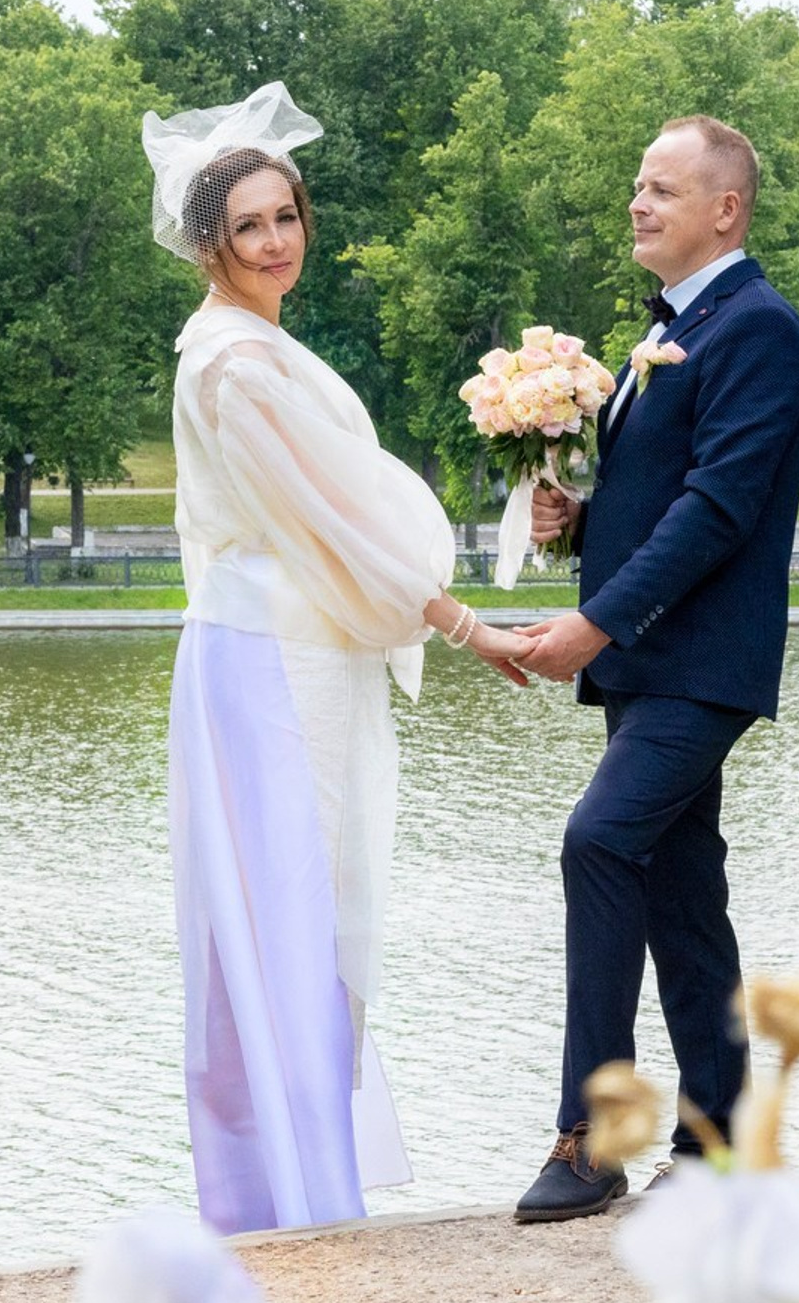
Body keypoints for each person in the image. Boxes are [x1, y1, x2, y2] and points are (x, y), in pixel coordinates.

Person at [152, 83, 535, 1233]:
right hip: (271, 661)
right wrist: (470, 627)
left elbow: (332, 521)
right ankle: (291, 1198)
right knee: (289, 916)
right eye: (248, 226)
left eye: (287, 217)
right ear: (207, 242)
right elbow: (332, 527)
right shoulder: (234, 366)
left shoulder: (249, 346)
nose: (274, 242)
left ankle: (284, 1187)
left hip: (276, 646)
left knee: (289, 915)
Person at [507, 115, 799, 1221]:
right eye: (636, 187)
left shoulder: (758, 329)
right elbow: (664, 498)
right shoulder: (671, 331)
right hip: (656, 661)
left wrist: (595, 621)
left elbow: (720, 509)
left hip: (699, 662)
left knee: (599, 841)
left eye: (661, 189)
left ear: (723, 208)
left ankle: (591, 1139)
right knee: (684, 896)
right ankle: (719, 1138)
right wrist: (581, 520)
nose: (637, 204)